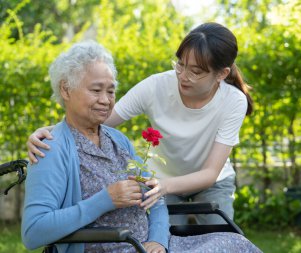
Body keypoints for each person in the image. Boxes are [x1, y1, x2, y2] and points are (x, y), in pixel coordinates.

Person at [22, 40, 262, 253]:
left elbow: (154, 198)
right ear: (66, 89)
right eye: (96, 90)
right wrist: (106, 199)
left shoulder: (117, 141)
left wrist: (158, 241)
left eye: (111, 91)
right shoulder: (49, 149)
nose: (106, 100)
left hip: (151, 246)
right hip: (115, 247)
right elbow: (33, 232)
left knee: (235, 243)